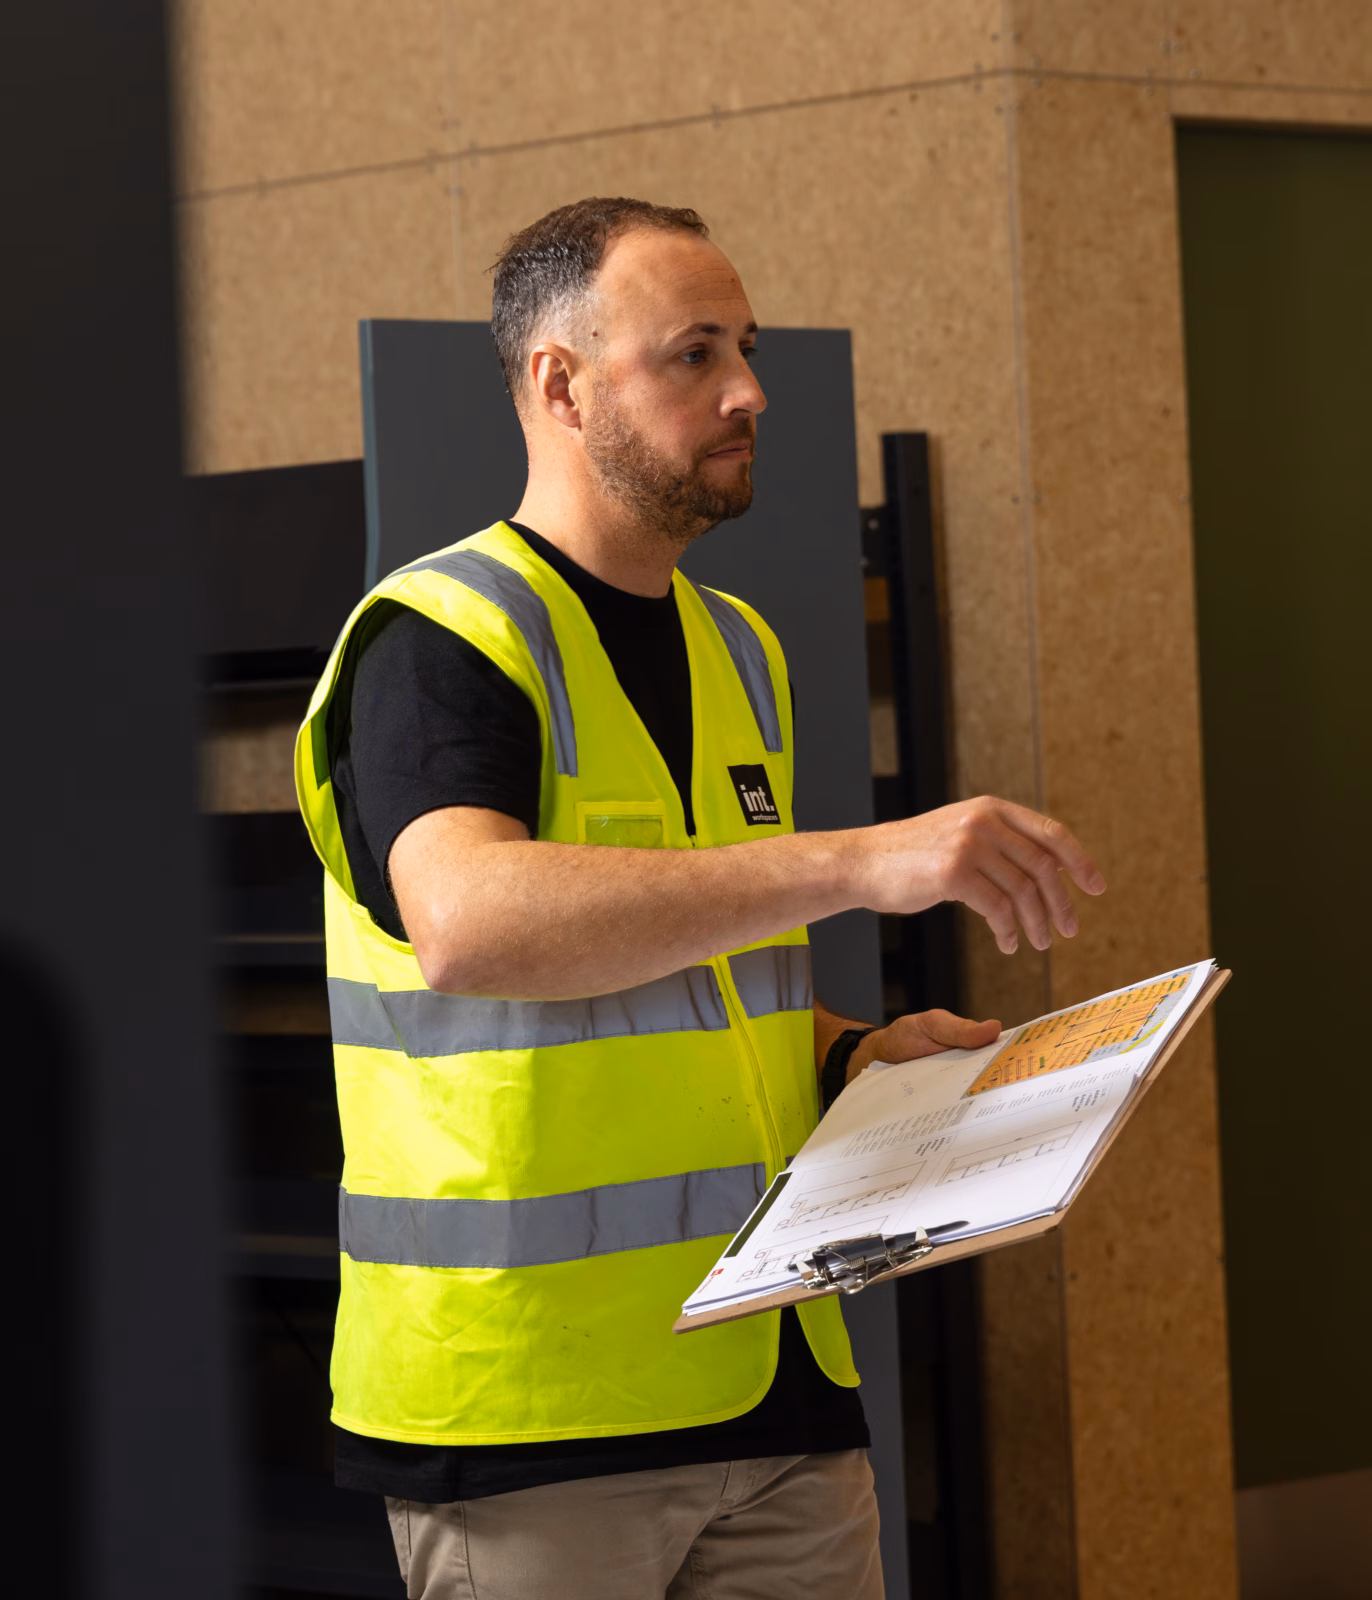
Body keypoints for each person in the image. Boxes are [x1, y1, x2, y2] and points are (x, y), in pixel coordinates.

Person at [294, 196, 1105, 1599]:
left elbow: (697, 987)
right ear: (560, 384)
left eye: (747, 348)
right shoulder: (440, 638)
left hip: (773, 1376)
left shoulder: (739, 649)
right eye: (694, 353)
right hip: (533, 1416)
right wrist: (862, 858)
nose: (749, 391)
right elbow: (467, 924)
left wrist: (853, 1056)